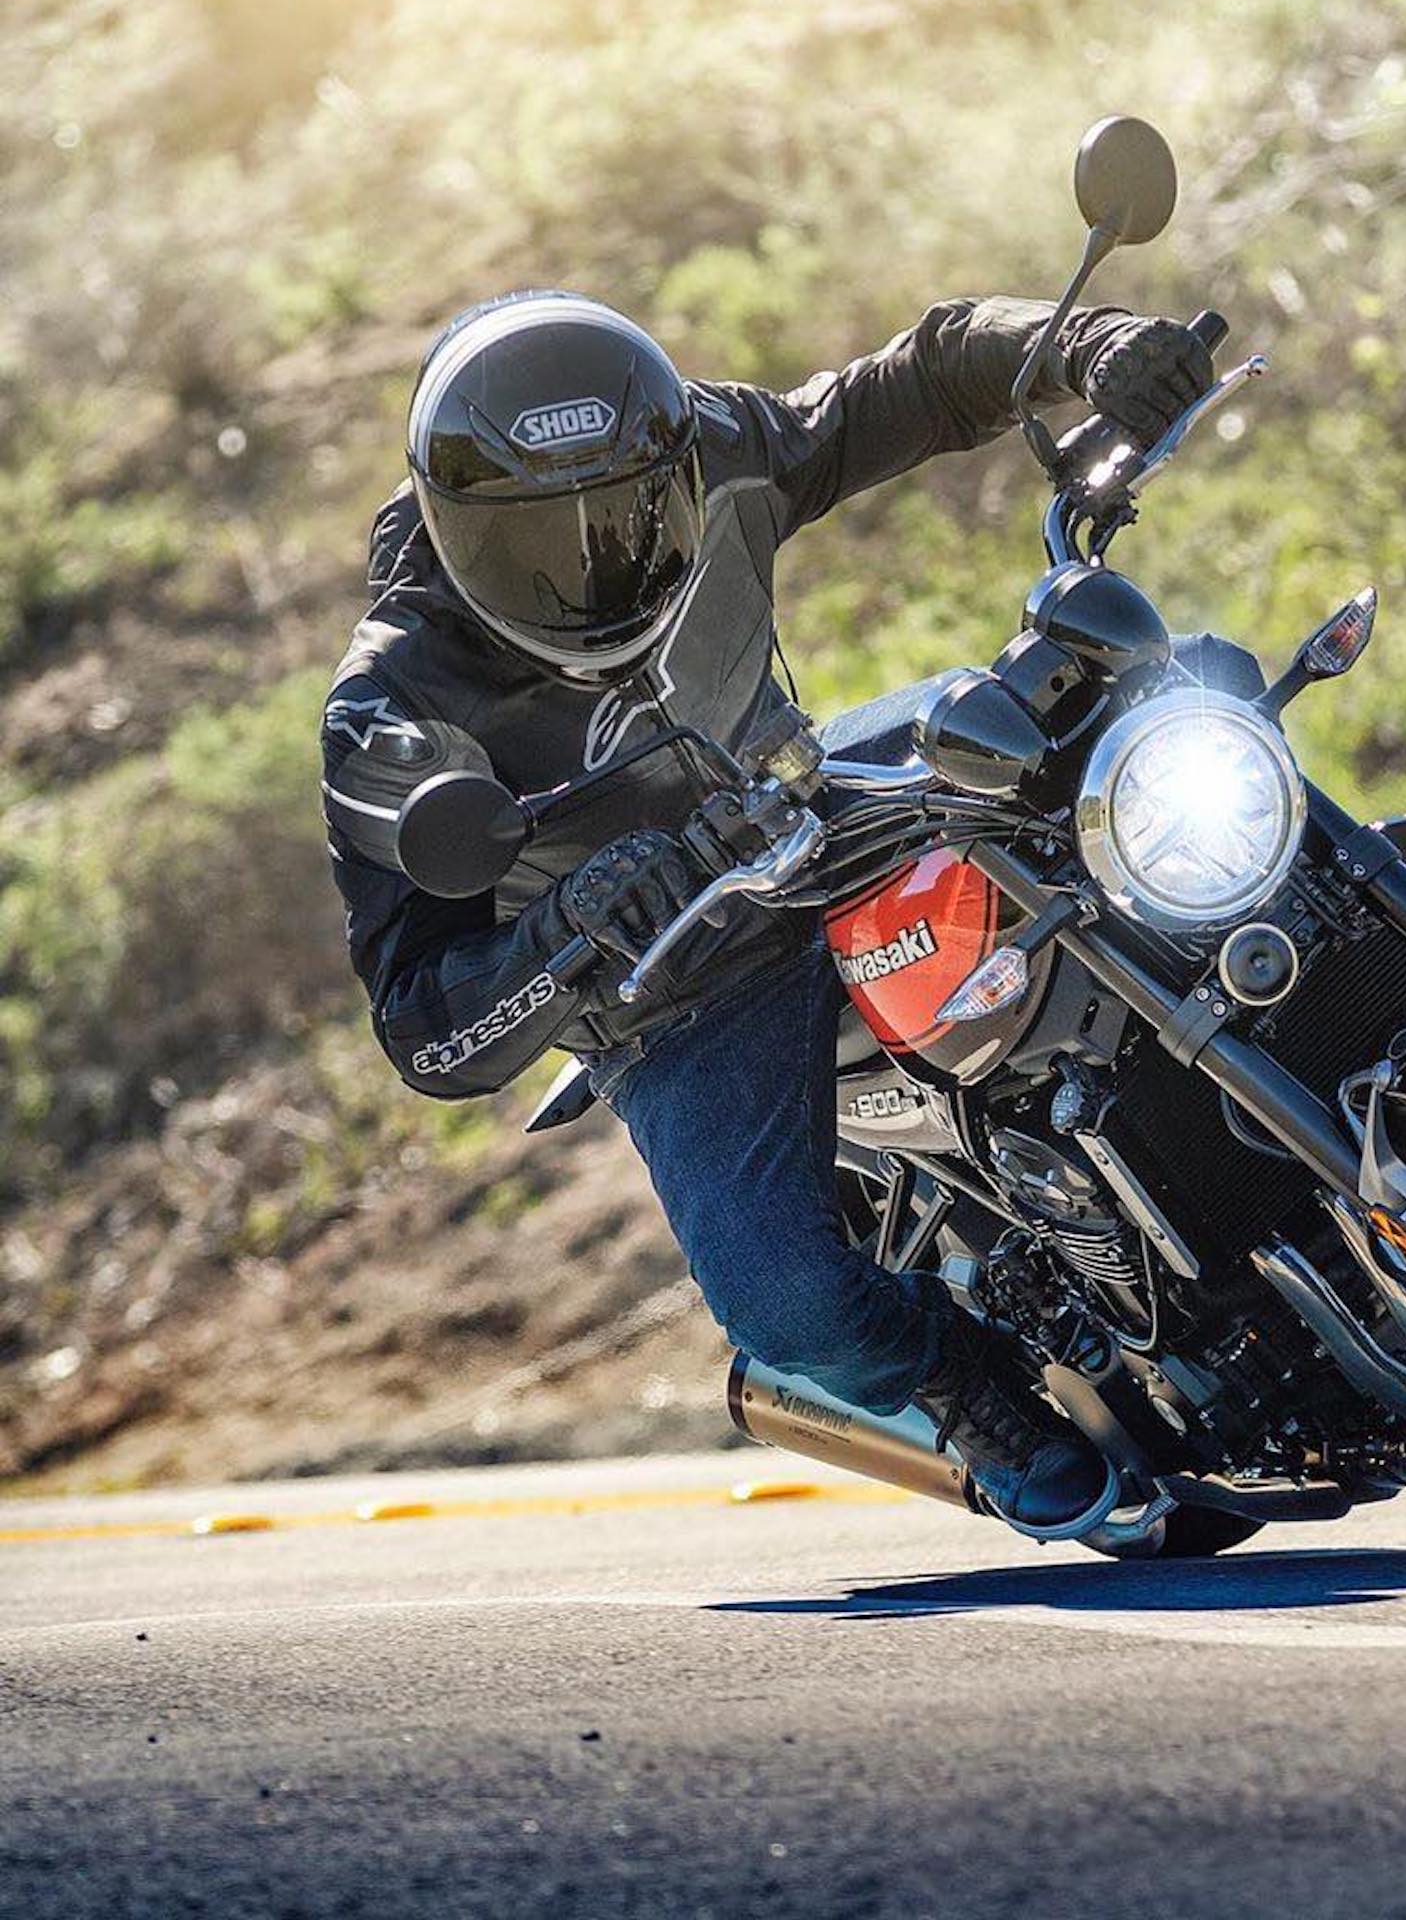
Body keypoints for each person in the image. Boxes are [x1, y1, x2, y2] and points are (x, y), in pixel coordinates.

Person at [320, 289, 1214, 1539]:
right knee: (788, 1305)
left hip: (816, 805)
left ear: (673, 459)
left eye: (630, 512)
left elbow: (919, 376)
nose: (596, 560)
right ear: (454, 525)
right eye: (542, 540)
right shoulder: (391, 707)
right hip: (675, 981)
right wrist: (570, 924)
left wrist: (1086, 342)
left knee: (1160, 699)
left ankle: (1383, 1006)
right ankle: (958, 1379)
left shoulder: (721, 450)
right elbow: (428, 1034)